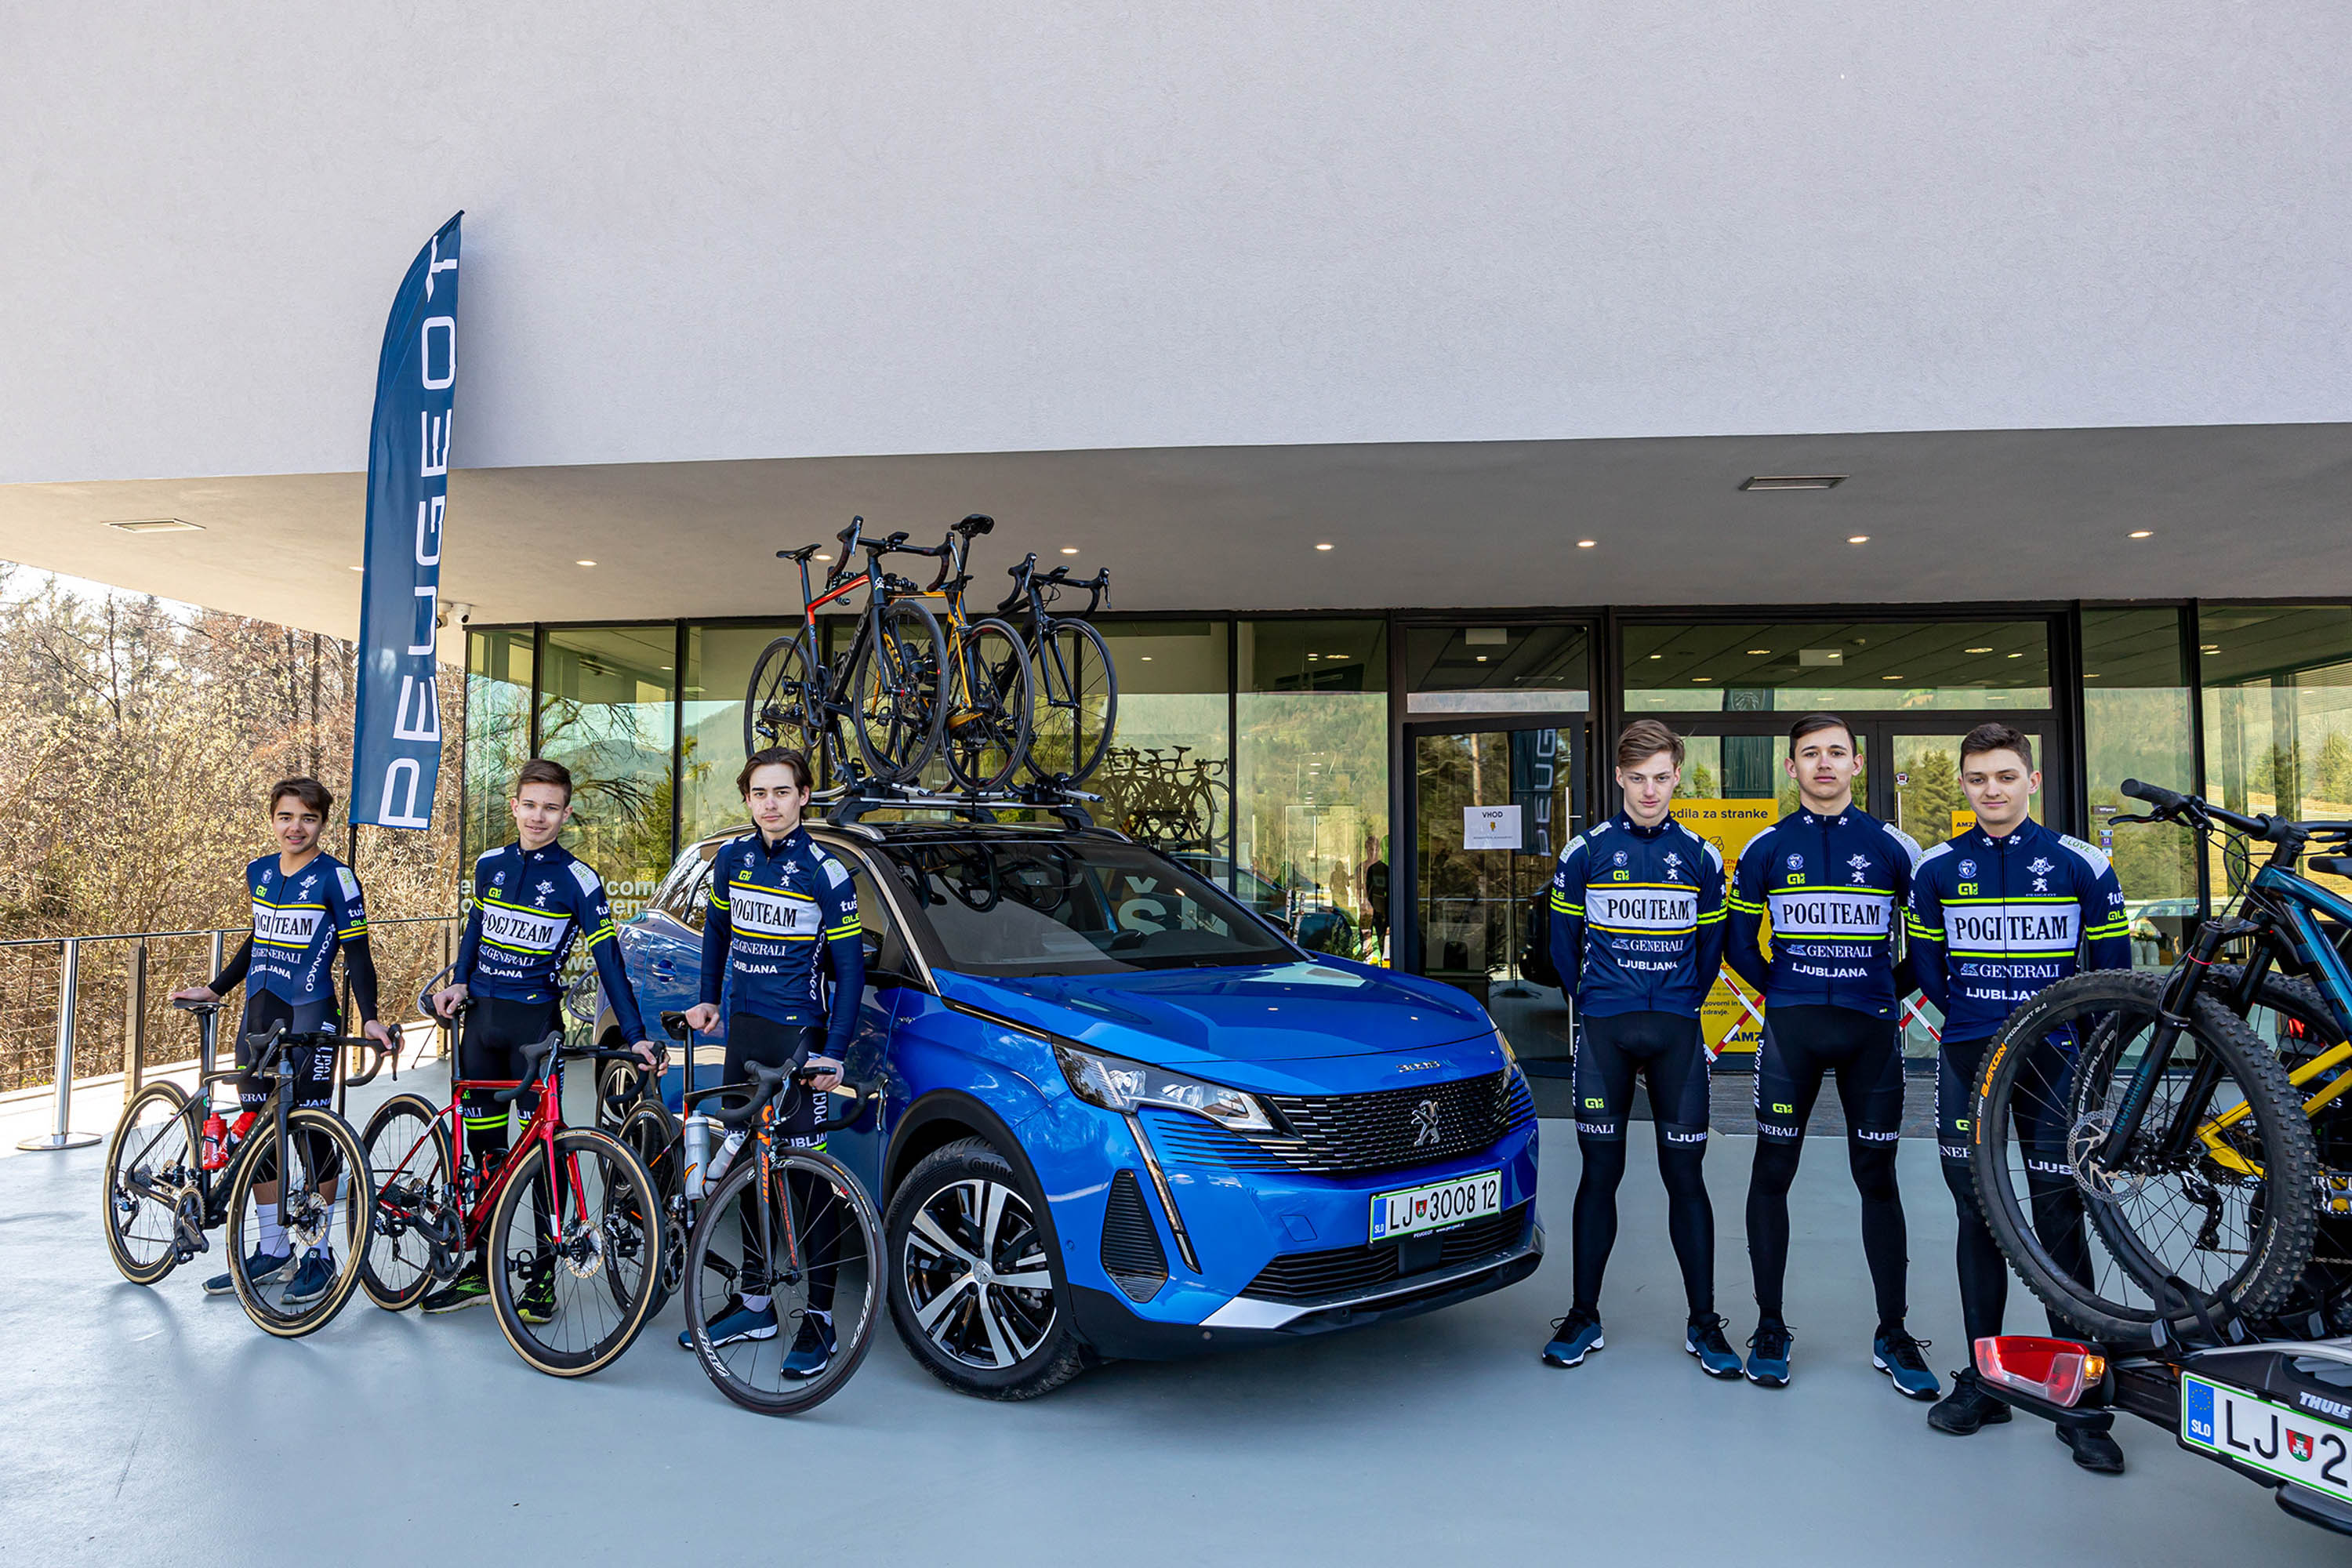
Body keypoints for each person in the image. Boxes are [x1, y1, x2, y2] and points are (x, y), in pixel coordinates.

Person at [1908, 723, 2132, 1472]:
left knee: (2057, 1213)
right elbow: (1929, 969)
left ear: (2032, 781)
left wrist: (2086, 1057)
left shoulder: (2080, 861)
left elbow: (2113, 975)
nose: (1991, 790)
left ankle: (2082, 1399)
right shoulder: (1937, 866)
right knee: (1976, 1212)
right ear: (1963, 785)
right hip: (1969, 1056)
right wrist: (1977, 1025)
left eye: (2005, 776)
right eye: (1977, 778)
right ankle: (1985, 1381)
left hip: (2057, 1062)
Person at [1726, 714, 1936, 1398]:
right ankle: (1769, 1325)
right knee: (1772, 1171)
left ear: (1856, 765)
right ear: (1791, 767)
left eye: (1836, 753)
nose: (1824, 764)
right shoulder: (1765, 846)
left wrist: (1880, 993)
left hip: (1870, 1032)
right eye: (1810, 754)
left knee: (1877, 1177)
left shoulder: (1895, 846)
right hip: (1792, 1032)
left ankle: (1893, 1331)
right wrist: (1786, 993)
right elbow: (1737, 943)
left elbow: (1926, 947)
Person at [424, 758, 662, 1317]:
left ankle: (542, 1277)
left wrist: (635, 1036)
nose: (538, 817)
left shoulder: (579, 880)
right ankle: (481, 1268)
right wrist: (459, 981)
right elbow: (474, 932)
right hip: (481, 1028)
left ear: (567, 813)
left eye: (550, 808)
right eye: (530, 805)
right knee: (484, 1154)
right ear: (514, 807)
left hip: (535, 1031)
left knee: (542, 1156)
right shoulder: (489, 865)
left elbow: (610, 962)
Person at [1540, 720, 1738, 1378]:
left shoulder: (1702, 856)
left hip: (1676, 1033)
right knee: (1600, 1176)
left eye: (1661, 778)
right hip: (1606, 1033)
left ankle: (1704, 1323)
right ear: (1619, 778)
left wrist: (1678, 1004)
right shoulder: (1585, 852)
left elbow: (1710, 951)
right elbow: (1562, 947)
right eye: (1637, 779)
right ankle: (1583, 1315)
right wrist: (1599, 1002)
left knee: (1687, 1179)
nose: (1650, 791)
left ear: (1676, 776)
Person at [171, 778, 397, 1304]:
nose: (296, 828)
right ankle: (273, 1250)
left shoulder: (337, 877)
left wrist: (370, 1018)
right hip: (258, 1014)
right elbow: (258, 939)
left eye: (308, 818)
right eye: (286, 817)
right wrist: (217, 987)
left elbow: (357, 954)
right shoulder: (260, 871)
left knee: (312, 1133)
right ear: (272, 818)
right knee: (258, 1132)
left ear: (323, 823)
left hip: (310, 1015)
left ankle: (319, 1253)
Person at [678, 746, 865, 1374]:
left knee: (807, 1183)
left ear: (804, 796)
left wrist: (834, 1054)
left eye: (782, 791)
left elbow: (850, 971)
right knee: (745, 1172)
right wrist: (709, 997)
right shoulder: (731, 859)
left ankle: (820, 1320)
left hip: (798, 1039)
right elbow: (717, 934)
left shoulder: (826, 872)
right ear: (748, 799)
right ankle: (756, 1303)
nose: (771, 804)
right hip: (744, 1035)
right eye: (760, 793)